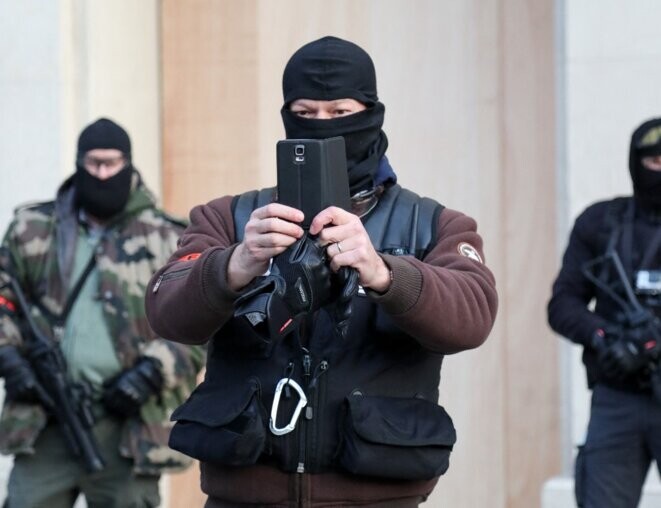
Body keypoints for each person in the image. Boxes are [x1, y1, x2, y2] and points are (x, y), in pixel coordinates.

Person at [146, 36, 498, 508]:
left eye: (340, 112)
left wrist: (383, 272)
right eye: (305, 112)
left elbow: (472, 316)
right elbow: (165, 309)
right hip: (245, 492)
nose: (321, 125)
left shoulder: (433, 223)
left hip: (377, 492)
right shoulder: (230, 218)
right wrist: (236, 264)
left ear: (371, 113)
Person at [0, 118, 204, 508]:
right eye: (93, 164)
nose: (103, 174)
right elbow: (3, 297)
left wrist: (151, 372)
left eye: (112, 164)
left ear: (128, 164)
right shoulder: (33, 229)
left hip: (130, 427)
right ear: (79, 163)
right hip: (45, 418)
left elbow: (198, 321)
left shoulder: (167, 237)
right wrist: (9, 357)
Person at [548, 117, 661, 508]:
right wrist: (605, 336)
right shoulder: (602, 223)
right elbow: (562, 304)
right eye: (655, 162)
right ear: (636, 163)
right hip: (617, 398)